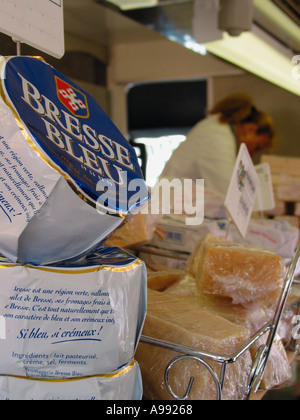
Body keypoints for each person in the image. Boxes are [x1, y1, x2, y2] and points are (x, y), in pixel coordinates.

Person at [160, 94, 275, 197]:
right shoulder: (217, 136)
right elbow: (229, 193)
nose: (253, 154)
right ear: (250, 130)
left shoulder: (218, 130)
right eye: (257, 147)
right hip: (169, 207)